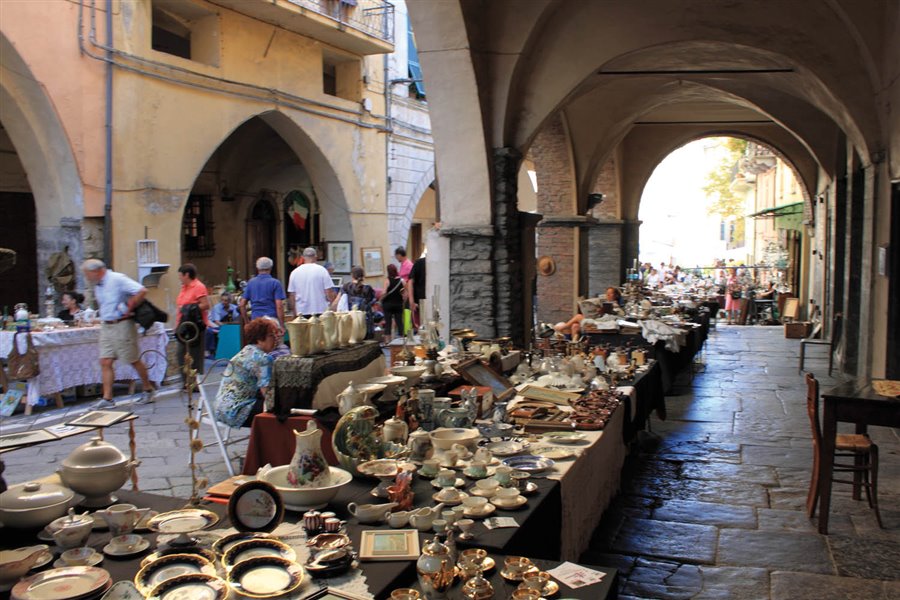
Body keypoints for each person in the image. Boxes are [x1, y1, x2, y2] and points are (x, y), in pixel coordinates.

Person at [80, 259, 156, 407]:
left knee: (132, 359)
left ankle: (148, 389)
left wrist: (128, 306)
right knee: (105, 361)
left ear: (96, 271)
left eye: (87, 274)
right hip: (107, 325)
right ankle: (107, 398)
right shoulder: (98, 285)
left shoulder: (117, 279)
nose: (87, 277)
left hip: (122, 325)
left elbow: (141, 290)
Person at [213, 318, 278, 428]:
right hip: (236, 411)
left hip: (220, 409)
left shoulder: (245, 351)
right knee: (279, 412)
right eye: (271, 335)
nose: (275, 339)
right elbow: (267, 393)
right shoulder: (262, 359)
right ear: (260, 339)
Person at [176, 263, 210, 375]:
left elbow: (205, 305)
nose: (179, 278)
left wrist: (189, 308)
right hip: (183, 325)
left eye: (180, 275)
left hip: (195, 326)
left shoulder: (198, 287)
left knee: (195, 355)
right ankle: (186, 381)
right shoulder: (183, 288)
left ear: (187, 275)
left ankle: (194, 382)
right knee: (181, 354)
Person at [287, 247, 335, 317]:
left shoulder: (294, 273)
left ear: (303, 257)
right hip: (320, 309)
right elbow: (328, 291)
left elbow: (292, 295)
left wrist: (294, 311)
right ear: (315, 257)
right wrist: (332, 305)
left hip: (301, 311)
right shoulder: (322, 270)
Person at [240, 257, 286, 326]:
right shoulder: (275, 283)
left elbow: (242, 304)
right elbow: (279, 306)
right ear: (270, 268)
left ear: (257, 268)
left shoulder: (251, 283)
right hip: (271, 320)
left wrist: (247, 322)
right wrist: (282, 325)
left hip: (256, 320)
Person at [338, 266, 376, 337]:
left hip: (351, 319)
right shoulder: (367, 288)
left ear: (352, 275)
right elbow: (372, 301)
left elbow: (340, 300)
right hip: (365, 321)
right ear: (363, 275)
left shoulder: (346, 286)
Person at [206, 292, 240, 358]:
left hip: (227, 324)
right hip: (214, 324)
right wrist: (226, 327)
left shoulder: (234, 308)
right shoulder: (217, 307)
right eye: (222, 300)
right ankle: (212, 351)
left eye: (226, 301)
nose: (223, 302)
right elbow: (217, 321)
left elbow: (236, 319)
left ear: (230, 301)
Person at [380, 263, 405, 344]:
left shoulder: (387, 280)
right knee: (399, 322)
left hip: (388, 304)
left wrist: (380, 299)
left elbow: (384, 293)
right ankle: (402, 340)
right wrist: (402, 301)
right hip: (398, 304)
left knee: (388, 322)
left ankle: (388, 341)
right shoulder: (402, 281)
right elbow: (405, 294)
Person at [407, 255, 426, 330]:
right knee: (421, 325)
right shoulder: (420, 262)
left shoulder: (419, 262)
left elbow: (410, 281)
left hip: (421, 299)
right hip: (419, 300)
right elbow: (410, 281)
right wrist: (411, 300)